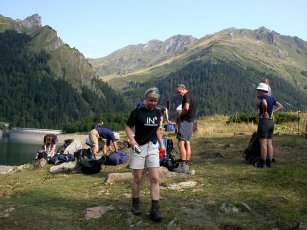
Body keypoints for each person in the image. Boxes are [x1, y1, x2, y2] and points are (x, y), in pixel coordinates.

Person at [125, 87, 165, 222]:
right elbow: (127, 126)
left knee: (155, 178)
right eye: (150, 100)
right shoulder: (137, 113)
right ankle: (135, 204)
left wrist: (162, 145)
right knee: (138, 178)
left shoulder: (158, 113)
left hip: (153, 147)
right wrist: (132, 140)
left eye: (155, 101)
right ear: (145, 99)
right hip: (139, 148)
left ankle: (155, 209)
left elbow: (158, 130)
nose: (153, 103)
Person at [255, 83, 283, 168]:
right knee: (269, 143)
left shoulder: (263, 98)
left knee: (263, 144)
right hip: (271, 122)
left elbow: (264, 103)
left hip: (264, 122)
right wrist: (272, 112)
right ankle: (269, 162)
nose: (257, 92)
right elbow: (280, 106)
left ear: (261, 91)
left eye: (258, 91)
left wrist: (265, 112)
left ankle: (262, 163)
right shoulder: (271, 98)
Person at [175, 84, 197, 173]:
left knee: (180, 143)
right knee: (187, 143)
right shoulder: (192, 95)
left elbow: (186, 107)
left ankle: (182, 166)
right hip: (191, 121)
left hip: (185, 122)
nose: (178, 94)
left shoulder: (186, 96)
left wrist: (180, 115)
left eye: (179, 92)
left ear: (183, 89)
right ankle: (186, 165)